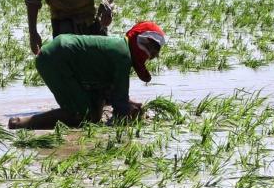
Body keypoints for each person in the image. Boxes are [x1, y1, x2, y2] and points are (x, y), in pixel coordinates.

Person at [9, 21, 166, 130]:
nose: (149, 55)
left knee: (94, 112)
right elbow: (120, 107)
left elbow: (109, 92)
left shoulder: (122, 49)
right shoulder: (123, 56)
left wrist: (127, 103)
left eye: (153, 53)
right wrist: (133, 113)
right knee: (81, 115)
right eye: (149, 48)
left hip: (58, 54)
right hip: (56, 60)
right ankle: (22, 123)